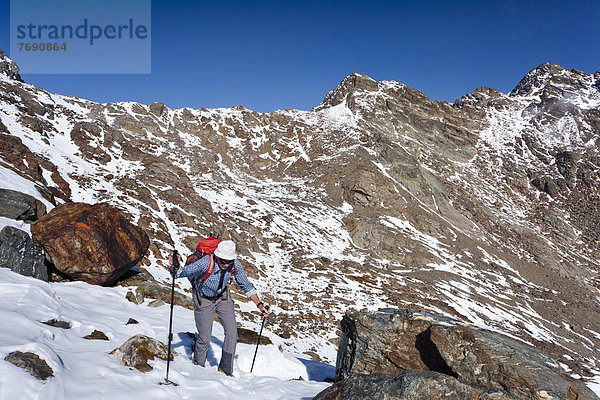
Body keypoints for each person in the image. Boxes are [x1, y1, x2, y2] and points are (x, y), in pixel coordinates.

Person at [170, 240, 270, 376]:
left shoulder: (234, 264)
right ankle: (198, 367)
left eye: (229, 261)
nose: (226, 264)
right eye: (223, 261)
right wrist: (175, 265)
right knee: (205, 337)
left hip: (223, 298)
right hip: (203, 299)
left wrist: (259, 305)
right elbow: (182, 273)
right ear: (217, 256)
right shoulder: (206, 262)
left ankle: (226, 370)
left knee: (232, 333)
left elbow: (246, 285)